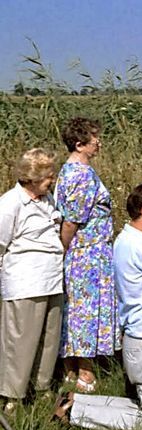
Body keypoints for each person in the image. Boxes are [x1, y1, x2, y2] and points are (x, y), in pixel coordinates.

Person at [54, 183, 142, 430]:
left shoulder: (129, 239)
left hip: (139, 340)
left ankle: (75, 402)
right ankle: (75, 413)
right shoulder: (141, 247)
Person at [55, 118, 120, 394]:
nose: (99, 143)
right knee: (85, 311)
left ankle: (70, 367)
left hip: (88, 251)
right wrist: (64, 248)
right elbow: (72, 221)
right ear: (80, 144)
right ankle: (85, 371)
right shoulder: (81, 174)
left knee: (76, 308)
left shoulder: (70, 170)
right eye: (95, 139)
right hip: (87, 254)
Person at [0, 148, 63, 411]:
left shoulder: (47, 200)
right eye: (48, 176)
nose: (52, 181)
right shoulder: (10, 203)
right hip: (25, 280)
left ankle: (42, 387)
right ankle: (12, 396)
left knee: (49, 338)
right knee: (20, 341)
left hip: (52, 277)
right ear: (32, 178)